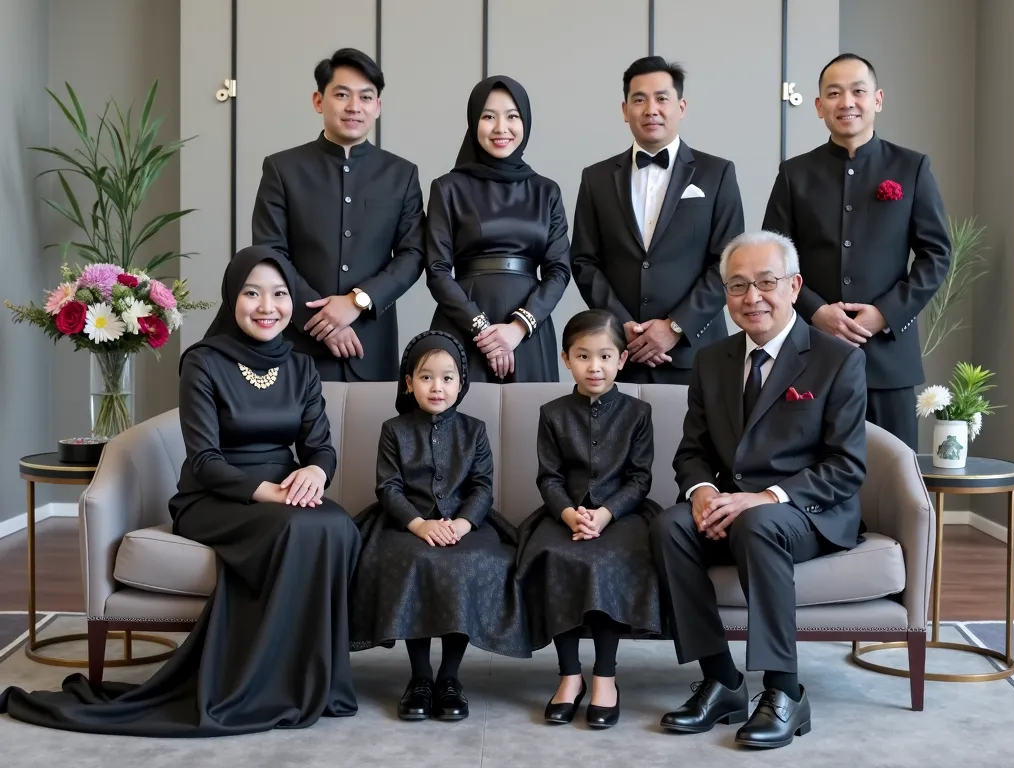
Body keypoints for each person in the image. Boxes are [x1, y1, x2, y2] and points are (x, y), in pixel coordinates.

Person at [0, 246, 362, 736]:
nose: (266, 306)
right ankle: (262, 683)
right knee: (299, 526)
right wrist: (269, 493)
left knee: (337, 524)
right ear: (232, 297)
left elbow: (320, 448)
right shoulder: (204, 362)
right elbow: (206, 461)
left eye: (279, 294)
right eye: (252, 293)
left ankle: (313, 680)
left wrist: (315, 474)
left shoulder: (300, 368)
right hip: (214, 498)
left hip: (284, 496)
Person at [650, 230, 867, 749]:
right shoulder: (712, 360)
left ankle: (784, 690)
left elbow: (846, 466)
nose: (752, 298)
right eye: (738, 285)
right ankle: (721, 680)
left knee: (758, 523)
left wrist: (765, 498)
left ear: (793, 286)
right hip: (732, 505)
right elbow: (692, 451)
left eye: (766, 282)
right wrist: (701, 490)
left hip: (807, 510)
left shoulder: (836, 359)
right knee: (670, 526)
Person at [762, 52, 951, 450]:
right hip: (809, 352)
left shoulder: (911, 167)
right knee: (811, 470)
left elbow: (936, 256)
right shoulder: (795, 174)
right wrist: (815, 311)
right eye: (833, 93)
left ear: (877, 99)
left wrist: (885, 313)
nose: (846, 102)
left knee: (895, 476)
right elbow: (772, 260)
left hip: (888, 360)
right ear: (818, 106)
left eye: (858, 91)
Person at [348, 330, 530, 722]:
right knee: (413, 562)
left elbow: (482, 486)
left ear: (460, 384)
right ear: (409, 383)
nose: (437, 387)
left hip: (467, 524)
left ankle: (449, 677)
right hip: (404, 523)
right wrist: (419, 525)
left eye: (447, 378)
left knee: (463, 565)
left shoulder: (474, 429)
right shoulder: (394, 430)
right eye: (426, 377)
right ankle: (420, 678)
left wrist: (462, 525)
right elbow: (388, 486)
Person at [516, 309, 661, 729]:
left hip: (622, 514)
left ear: (622, 359)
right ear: (565, 360)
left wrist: (605, 513)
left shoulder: (637, 413)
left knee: (609, 560)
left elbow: (640, 478)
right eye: (582, 356)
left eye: (604, 356)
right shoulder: (553, 412)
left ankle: (605, 676)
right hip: (563, 513)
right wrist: (567, 513)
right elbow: (549, 476)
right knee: (554, 556)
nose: (594, 367)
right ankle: (568, 675)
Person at [248, 47, 425, 382]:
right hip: (296, 342)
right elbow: (270, 253)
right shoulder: (282, 169)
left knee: (374, 434)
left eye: (365, 97)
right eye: (342, 94)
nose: (354, 107)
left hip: (371, 342)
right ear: (319, 101)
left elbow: (414, 254)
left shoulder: (401, 174)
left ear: (378, 106)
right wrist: (322, 321)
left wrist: (357, 301)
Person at [571, 55, 744, 385]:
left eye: (662, 98)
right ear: (625, 110)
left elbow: (728, 264)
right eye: (639, 99)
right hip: (620, 353)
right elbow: (584, 261)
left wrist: (675, 326)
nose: (651, 109)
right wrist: (623, 326)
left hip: (697, 352)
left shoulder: (717, 173)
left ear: (681, 107)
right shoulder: (596, 178)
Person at [425, 75, 572, 383]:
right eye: (488, 116)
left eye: (512, 116)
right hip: (463, 326)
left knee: (531, 426)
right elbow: (437, 271)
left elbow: (559, 270)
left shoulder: (546, 191)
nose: (500, 128)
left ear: (526, 123)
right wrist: (481, 328)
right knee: (460, 425)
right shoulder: (448, 188)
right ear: (473, 121)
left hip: (529, 330)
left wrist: (519, 326)